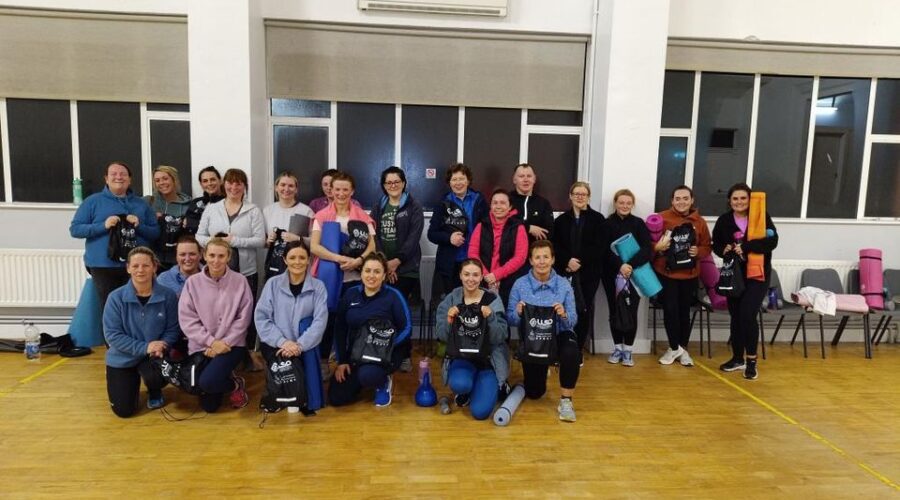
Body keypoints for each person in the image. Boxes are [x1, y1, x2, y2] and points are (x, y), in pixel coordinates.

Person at [195, 168, 266, 369]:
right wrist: (217, 242)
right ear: (224, 184)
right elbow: (199, 236)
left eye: (239, 183)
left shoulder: (253, 210)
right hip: (216, 272)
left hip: (246, 271)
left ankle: (248, 353)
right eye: (230, 183)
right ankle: (223, 350)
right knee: (220, 313)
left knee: (246, 313)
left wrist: (234, 241)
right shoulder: (212, 208)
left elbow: (260, 240)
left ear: (245, 187)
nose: (234, 187)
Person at [70, 161, 159, 313]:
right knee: (109, 308)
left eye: (123, 174)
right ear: (106, 178)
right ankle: (111, 338)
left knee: (137, 307)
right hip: (103, 266)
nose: (119, 177)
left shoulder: (141, 204)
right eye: (114, 174)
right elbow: (75, 229)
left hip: (136, 267)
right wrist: (103, 226)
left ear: (130, 179)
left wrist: (140, 226)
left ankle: (135, 337)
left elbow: (155, 233)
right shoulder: (92, 202)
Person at [507, 240, 580, 422]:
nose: (542, 261)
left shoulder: (564, 285)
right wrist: (517, 312)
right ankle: (543, 368)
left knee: (572, 352)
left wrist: (563, 315)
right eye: (537, 257)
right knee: (534, 393)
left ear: (553, 259)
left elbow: (572, 321)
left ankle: (566, 401)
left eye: (546, 257)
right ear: (530, 261)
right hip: (534, 337)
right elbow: (510, 319)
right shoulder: (519, 285)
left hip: (558, 334)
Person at [179, 237, 254, 412]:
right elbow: (187, 320)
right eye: (211, 255)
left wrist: (223, 343)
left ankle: (236, 385)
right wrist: (211, 342)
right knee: (209, 406)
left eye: (221, 256)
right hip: (202, 346)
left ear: (228, 257)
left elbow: (243, 318)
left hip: (232, 345)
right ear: (204, 255)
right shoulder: (193, 283)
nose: (216, 260)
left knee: (209, 383)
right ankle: (226, 378)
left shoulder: (240, 281)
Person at [103, 247, 180, 417]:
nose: (140, 270)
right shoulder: (115, 298)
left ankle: (154, 389)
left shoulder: (168, 296)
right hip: (123, 356)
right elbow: (112, 335)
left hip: (154, 355)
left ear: (154, 267)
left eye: (145, 265)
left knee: (155, 376)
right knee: (124, 411)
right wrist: (145, 347)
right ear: (128, 268)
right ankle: (129, 384)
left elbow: (173, 329)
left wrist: (162, 345)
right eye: (135, 266)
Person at [712, 183, 778, 380]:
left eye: (743, 198)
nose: (739, 202)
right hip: (734, 275)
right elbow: (716, 244)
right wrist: (722, 249)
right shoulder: (724, 220)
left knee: (748, 316)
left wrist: (747, 247)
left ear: (749, 200)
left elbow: (772, 242)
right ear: (729, 201)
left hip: (757, 276)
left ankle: (751, 361)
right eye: (735, 199)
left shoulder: (761, 216)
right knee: (736, 317)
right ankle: (737, 358)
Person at [328, 253, 412, 408]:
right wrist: (342, 361)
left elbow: (406, 328)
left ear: (384, 275)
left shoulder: (393, 296)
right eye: (367, 271)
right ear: (361, 273)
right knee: (337, 397)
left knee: (367, 375)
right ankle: (361, 379)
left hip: (384, 353)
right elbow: (340, 328)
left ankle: (383, 382)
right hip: (356, 353)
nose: (371, 276)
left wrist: (388, 345)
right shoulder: (350, 294)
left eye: (377, 271)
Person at [310, 171, 376, 365]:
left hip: (354, 277)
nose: (340, 193)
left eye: (345, 189)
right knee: (327, 319)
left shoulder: (362, 216)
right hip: (328, 277)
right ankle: (323, 361)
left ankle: (347, 360)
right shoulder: (321, 216)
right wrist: (338, 258)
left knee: (350, 318)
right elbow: (314, 246)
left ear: (352, 191)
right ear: (331, 190)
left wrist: (358, 261)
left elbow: (372, 246)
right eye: (337, 189)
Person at [254, 240, 329, 411]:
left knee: (295, 403)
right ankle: (281, 391)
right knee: (285, 397)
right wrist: (283, 342)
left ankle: (295, 394)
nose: (297, 262)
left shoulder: (318, 287)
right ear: (285, 259)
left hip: (304, 347)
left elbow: (320, 322)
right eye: (292, 257)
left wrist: (299, 345)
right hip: (276, 345)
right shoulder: (272, 284)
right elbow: (262, 318)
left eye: (302, 258)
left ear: (308, 260)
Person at [434, 258, 510, 420]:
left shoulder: (493, 300)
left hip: (488, 361)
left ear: (482, 277)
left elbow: (501, 337)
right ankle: (467, 388)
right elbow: (442, 336)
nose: (471, 279)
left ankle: (495, 385)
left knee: (480, 413)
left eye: (475, 275)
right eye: (466, 274)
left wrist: (490, 318)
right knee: (460, 384)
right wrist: (448, 320)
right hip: (462, 358)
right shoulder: (451, 299)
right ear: (460, 276)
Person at [370, 166, 424, 372]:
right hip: (383, 268)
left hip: (407, 268)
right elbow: (374, 236)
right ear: (384, 186)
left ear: (403, 183)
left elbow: (413, 237)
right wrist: (385, 263)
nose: (393, 185)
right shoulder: (378, 206)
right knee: (384, 312)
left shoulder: (414, 206)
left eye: (396, 181)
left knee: (401, 313)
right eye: (388, 182)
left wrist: (396, 262)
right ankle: (385, 353)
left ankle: (404, 355)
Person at [652, 185, 711, 367]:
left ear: (691, 200)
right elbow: (651, 243)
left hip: (690, 275)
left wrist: (697, 251)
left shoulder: (699, 222)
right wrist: (658, 247)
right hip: (666, 273)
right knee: (670, 310)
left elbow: (707, 247)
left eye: (685, 198)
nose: (681, 202)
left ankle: (683, 349)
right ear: (672, 201)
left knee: (684, 312)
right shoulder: (661, 218)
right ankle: (673, 347)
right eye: (678, 198)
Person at [552, 181, 605, 355]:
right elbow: (555, 245)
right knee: (564, 308)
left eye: (583, 194)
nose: (580, 197)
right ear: (570, 196)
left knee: (583, 310)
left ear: (588, 197)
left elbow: (599, 246)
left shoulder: (598, 219)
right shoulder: (561, 220)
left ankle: (578, 349)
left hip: (588, 274)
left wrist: (578, 262)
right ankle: (563, 346)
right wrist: (567, 261)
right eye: (576, 194)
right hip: (564, 272)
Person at [600, 189, 651, 366]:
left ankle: (628, 350)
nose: (624, 206)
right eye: (621, 202)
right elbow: (603, 250)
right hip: (611, 275)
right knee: (615, 310)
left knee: (631, 311)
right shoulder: (606, 224)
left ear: (632, 204)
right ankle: (617, 348)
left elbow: (647, 248)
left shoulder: (638, 224)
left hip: (634, 275)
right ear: (615, 203)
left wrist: (630, 265)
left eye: (628, 203)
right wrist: (619, 265)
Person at [427, 163, 488, 298]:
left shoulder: (479, 200)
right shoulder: (443, 203)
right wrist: (449, 238)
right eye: (454, 179)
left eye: (461, 178)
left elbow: (489, 229)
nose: (458, 183)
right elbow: (431, 234)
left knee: (474, 302)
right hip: (450, 263)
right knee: (452, 302)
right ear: (449, 182)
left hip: (475, 261)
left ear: (468, 180)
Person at [467, 189, 528, 308]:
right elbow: (472, 253)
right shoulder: (481, 225)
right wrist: (486, 276)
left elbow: (520, 257)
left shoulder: (518, 227)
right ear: (490, 206)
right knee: (482, 319)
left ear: (510, 206)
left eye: (502, 203)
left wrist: (497, 275)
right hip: (482, 281)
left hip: (509, 282)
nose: (498, 206)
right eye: (495, 203)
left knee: (504, 320)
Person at [262, 171, 314, 280]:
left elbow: (315, 242)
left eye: (291, 186)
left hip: (298, 267)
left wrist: (298, 238)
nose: (286, 189)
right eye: (283, 185)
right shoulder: (267, 211)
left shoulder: (306, 211)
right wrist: (268, 241)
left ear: (296, 189)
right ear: (276, 187)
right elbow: (263, 243)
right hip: (275, 267)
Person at [145, 165, 191, 270]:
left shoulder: (189, 205)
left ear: (174, 179)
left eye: (165, 179)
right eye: (157, 180)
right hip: (152, 260)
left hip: (178, 261)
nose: (161, 183)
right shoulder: (148, 202)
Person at [508, 163, 554, 243]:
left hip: (535, 253)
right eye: (521, 176)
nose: (526, 180)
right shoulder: (506, 201)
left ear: (534, 179)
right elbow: (502, 224)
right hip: (509, 252)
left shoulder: (543, 204)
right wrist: (528, 228)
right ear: (514, 180)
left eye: (529, 176)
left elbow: (548, 232)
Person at [184, 166, 224, 235]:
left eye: (213, 179)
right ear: (201, 184)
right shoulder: (196, 202)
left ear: (220, 181)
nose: (209, 183)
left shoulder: (227, 202)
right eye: (205, 181)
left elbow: (222, 227)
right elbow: (189, 225)